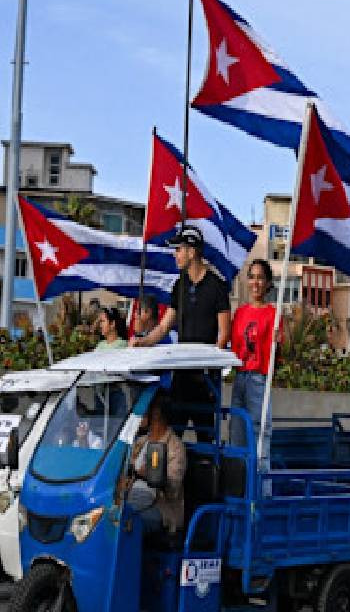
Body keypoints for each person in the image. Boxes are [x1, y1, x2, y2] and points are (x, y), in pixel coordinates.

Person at [131, 225, 231, 442]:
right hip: (181, 376)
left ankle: (208, 474)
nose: (175, 255)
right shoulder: (180, 285)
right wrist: (143, 342)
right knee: (172, 435)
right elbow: (164, 326)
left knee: (206, 438)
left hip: (205, 379)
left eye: (179, 249)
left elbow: (224, 334)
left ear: (192, 252)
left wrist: (211, 369)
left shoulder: (217, 286)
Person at [229, 259, 277, 452]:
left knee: (260, 434)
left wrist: (280, 340)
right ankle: (238, 480)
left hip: (259, 378)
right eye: (252, 277)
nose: (255, 283)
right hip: (239, 377)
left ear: (267, 283)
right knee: (236, 433)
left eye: (260, 278)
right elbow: (234, 347)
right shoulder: (240, 313)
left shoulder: (273, 313)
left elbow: (283, 350)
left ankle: (261, 481)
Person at [128, 393, 186, 536]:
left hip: (161, 507)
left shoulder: (174, 446)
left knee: (128, 521)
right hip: (133, 496)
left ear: (156, 414)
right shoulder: (140, 442)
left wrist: (151, 475)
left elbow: (174, 487)